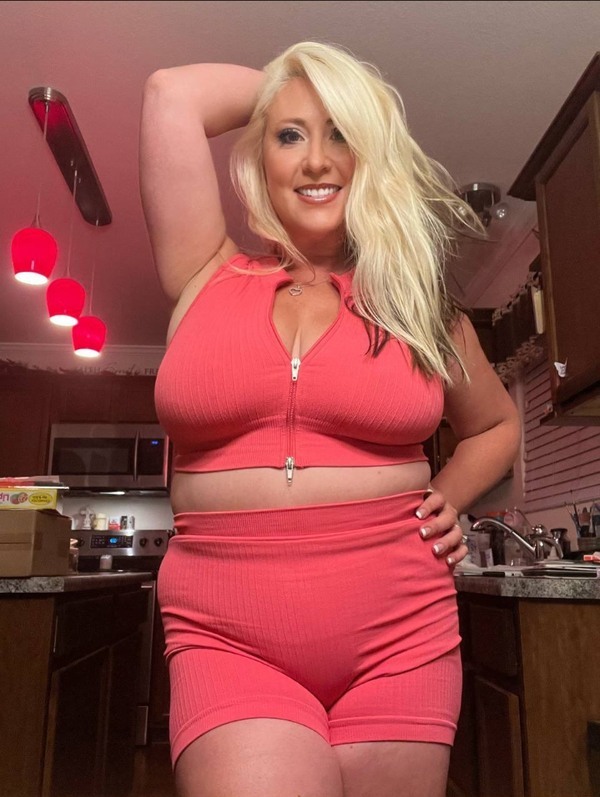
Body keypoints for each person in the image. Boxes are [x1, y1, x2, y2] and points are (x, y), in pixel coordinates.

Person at [140, 40, 521, 797]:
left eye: (342, 134)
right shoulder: (204, 274)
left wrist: (449, 495)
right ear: (262, 159)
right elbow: (169, 93)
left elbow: (495, 425)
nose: (316, 159)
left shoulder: (415, 303)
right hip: (227, 636)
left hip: (401, 632)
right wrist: (298, 85)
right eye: (290, 136)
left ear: (369, 156)